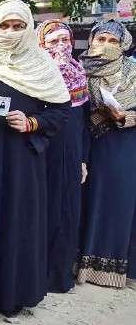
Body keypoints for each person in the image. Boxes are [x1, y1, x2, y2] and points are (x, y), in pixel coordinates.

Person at [0, 0, 71, 317]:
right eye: (4, 26)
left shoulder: (42, 66)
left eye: (18, 26)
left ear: (29, 28)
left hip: (21, 160)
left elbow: (61, 110)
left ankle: (11, 294)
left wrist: (32, 122)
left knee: (15, 221)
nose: (10, 32)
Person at [77, 20, 136, 288]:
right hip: (89, 145)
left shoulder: (133, 70)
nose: (106, 46)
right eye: (101, 39)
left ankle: (113, 267)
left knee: (118, 202)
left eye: (113, 41)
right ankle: (82, 264)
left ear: (124, 44)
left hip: (124, 145)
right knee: (90, 199)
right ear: (91, 41)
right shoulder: (79, 70)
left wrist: (125, 117)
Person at [36, 20, 89, 293]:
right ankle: (37, 273)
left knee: (66, 210)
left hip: (70, 153)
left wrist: (82, 159)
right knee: (41, 209)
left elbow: (82, 122)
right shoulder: (34, 73)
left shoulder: (80, 73)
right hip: (41, 151)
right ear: (41, 44)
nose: (60, 46)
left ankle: (60, 274)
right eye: (53, 41)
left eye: (65, 40)